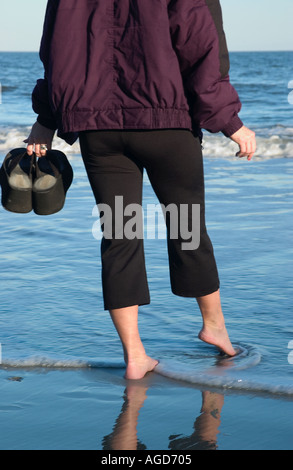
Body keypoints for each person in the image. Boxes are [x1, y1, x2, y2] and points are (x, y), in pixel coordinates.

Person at [26, 0, 256, 380]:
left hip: (99, 130)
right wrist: (228, 121)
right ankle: (214, 327)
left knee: (119, 236)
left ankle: (135, 355)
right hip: (167, 123)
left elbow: (56, 49)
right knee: (187, 228)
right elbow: (200, 44)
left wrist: (46, 121)